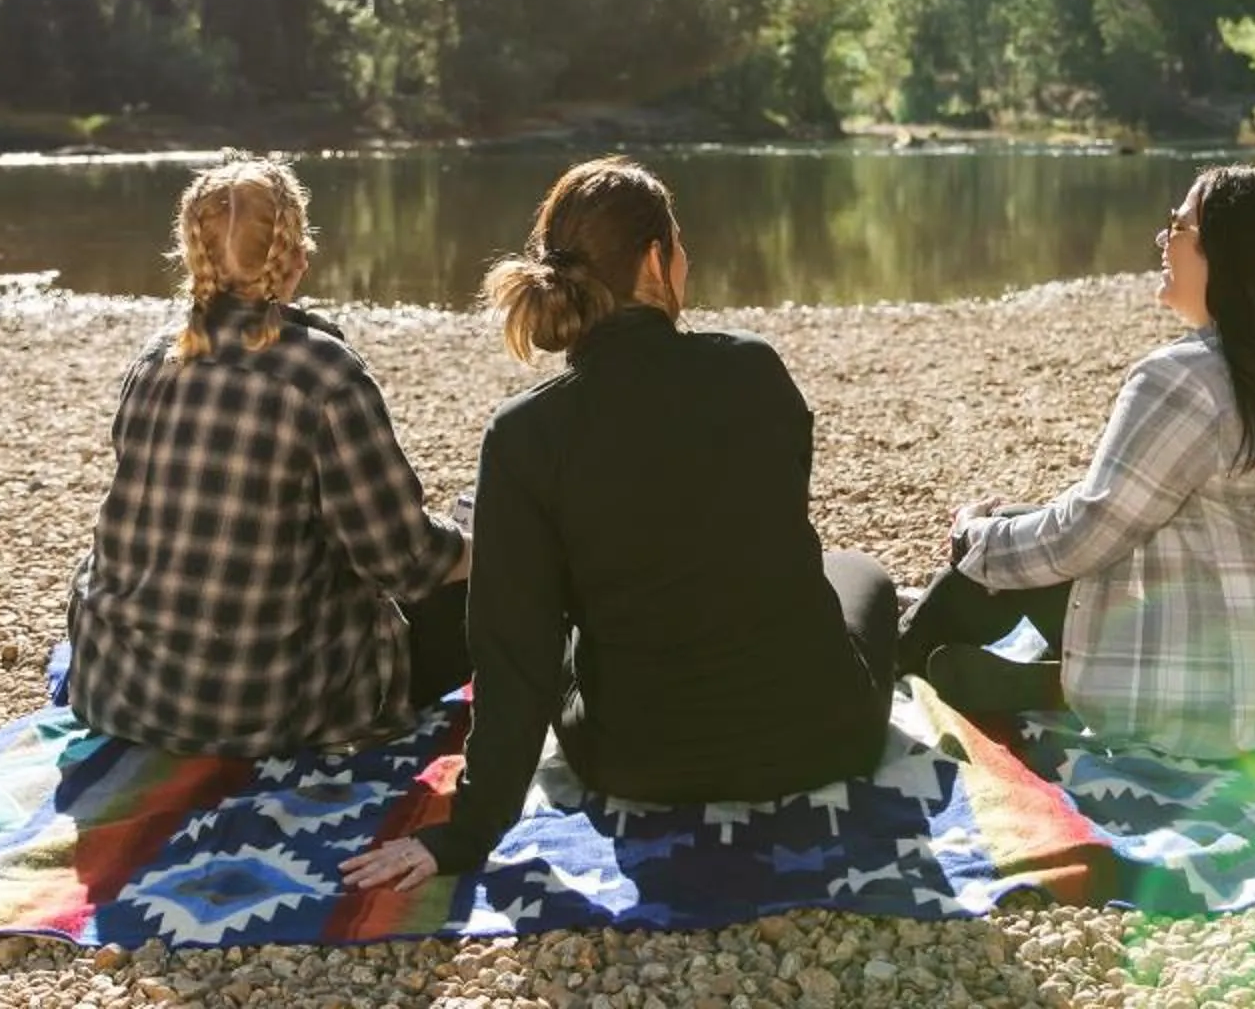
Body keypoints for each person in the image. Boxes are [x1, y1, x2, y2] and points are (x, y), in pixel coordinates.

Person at [341, 157, 896, 891]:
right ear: (656, 261)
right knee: (862, 573)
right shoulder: (754, 369)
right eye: (681, 244)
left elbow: (514, 654)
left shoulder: (525, 433)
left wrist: (468, 833)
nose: (687, 260)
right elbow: (773, 523)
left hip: (636, 761)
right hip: (822, 738)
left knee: (563, 630)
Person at [893, 164, 1255, 758]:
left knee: (994, 557)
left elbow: (1083, 535)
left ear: (1229, 254)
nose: (1162, 238)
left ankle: (889, 659)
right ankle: (1048, 678)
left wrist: (971, 539)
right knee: (1025, 536)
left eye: (1177, 225)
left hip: (1239, 710)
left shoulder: (1186, 378)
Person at [63, 158, 470, 755]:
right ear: (297, 257)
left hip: (119, 690)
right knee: (490, 590)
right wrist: (486, 549)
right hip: (265, 707)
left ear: (192, 254)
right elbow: (403, 562)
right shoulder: (324, 372)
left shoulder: (154, 359)